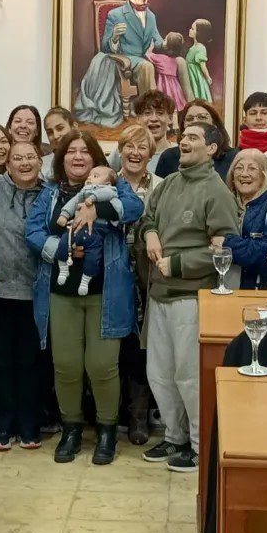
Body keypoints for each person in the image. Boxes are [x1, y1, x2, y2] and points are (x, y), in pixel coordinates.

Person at [25, 131, 143, 466]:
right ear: (61, 159)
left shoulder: (115, 187)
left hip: (107, 292)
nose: (78, 157)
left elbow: (135, 207)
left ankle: (106, 431)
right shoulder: (49, 194)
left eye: (85, 152)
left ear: (96, 160)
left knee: (102, 365)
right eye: (71, 152)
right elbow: (33, 232)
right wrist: (63, 248)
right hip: (60, 292)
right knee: (66, 366)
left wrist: (96, 208)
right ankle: (71, 428)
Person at [139, 122, 239, 472]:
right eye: (182, 137)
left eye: (193, 138)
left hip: (191, 297)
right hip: (159, 294)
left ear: (212, 149)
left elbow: (226, 249)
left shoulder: (216, 191)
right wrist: (150, 234)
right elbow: (147, 218)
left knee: (189, 376)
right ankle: (174, 436)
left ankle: (199, 446)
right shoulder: (167, 185)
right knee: (159, 373)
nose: (183, 141)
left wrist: (178, 262)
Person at [0, 140, 45, 450]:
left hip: (37, 292)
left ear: (41, 162)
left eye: (31, 157)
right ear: (7, 164)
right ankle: (2, 427)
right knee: (1, 362)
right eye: (17, 158)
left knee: (32, 363)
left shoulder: (51, 192)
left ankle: (30, 426)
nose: (24, 163)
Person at [74, 0, 188, 127]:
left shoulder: (150, 16)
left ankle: (191, 108)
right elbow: (105, 48)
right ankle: (152, 112)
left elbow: (158, 41)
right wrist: (114, 36)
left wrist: (169, 44)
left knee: (180, 61)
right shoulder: (116, 15)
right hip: (127, 58)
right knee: (146, 66)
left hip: (146, 57)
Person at [115, 123, 163, 445]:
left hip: (148, 277)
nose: (134, 153)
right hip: (112, 274)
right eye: (129, 146)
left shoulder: (162, 186)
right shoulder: (104, 181)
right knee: (112, 345)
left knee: (141, 347)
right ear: (120, 150)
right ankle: (110, 414)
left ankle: (138, 416)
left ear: (151, 153)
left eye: (141, 147)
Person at [222, 149, 267, 290]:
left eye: (252, 168)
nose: (244, 174)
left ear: (264, 174)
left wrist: (226, 244)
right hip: (226, 286)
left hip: (260, 290)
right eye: (239, 168)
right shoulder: (225, 201)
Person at [54, 166, 121, 295]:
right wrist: (64, 214)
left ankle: (85, 280)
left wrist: (93, 198)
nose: (90, 178)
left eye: (95, 176)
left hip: (96, 233)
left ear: (107, 183)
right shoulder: (83, 192)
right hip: (77, 229)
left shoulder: (110, 191)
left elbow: (107, 195)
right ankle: (63, 269)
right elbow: (73, 203)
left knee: (93, 257)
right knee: (63, 242)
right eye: (89, 175)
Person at [154, 100, 238, 180]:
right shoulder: (169, 157)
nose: (195, 122)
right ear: (183, 125)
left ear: (215, 123)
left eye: (202, 117)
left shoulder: (233, 157)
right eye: (190, 119)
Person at [146, 32, 189, 112]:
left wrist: (151, 47)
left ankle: (168, 122)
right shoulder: (176, 60)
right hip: (175, 86)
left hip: (163, 85)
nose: (163, 40)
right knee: (175, 105)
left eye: (165, 39)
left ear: (167, 45)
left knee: (165, 105)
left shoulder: (160, 58)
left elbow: (148, 54)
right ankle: (175, 123)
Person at [41, 107, 76, 180]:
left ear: (74, 127)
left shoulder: (90, 158)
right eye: (50, 132)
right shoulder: (42, 165)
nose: (55, 136)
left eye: (60, 128)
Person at [184, 18, 214, 102]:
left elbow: (202, 65)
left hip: (195, 76)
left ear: (199, 33)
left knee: (197, 92)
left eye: (193, 29)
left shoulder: (201, 47)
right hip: (190, 75)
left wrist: (208, 77)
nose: (190, 30)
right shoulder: (192, 47)